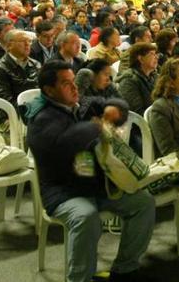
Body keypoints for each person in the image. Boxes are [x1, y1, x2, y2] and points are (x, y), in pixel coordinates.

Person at [27, 60, 155, 282]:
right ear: (49, 90)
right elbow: (64, 145)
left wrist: (115, 108)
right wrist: (95, 127)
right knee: (86, 217)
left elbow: (116, 103)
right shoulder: (41, 118)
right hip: (63, 190)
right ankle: (79, 278)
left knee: (143, 203)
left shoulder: (81, 104)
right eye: (66, 84)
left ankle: (125, 268)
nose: (75, 87)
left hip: (96, 184)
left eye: (73, 81)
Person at [115, 42, 159, 115]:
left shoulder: (154, 76)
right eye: (152, 54)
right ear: (140, 59)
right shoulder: (128, 81)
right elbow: (136, 112)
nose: (156, 57)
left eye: (156, 54)